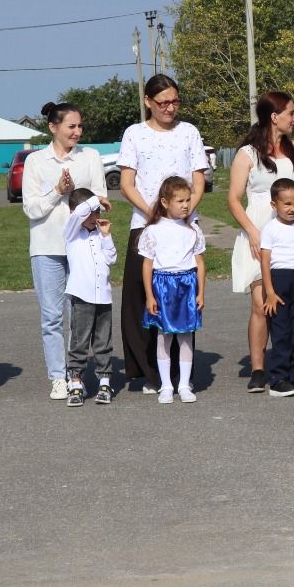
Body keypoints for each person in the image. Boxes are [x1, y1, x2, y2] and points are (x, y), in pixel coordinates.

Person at [229, 92, 294, 392]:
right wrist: (252, 231)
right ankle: (259, 368)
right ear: (274, 117)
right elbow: (233, 199)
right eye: (291, 113)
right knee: (262, 304)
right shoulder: (247, 153)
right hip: (259, 230)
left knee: (292, 303)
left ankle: (287, 367)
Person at [120, 75, 209, 395]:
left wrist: (183, 214)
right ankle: (149, 372)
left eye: (175, 101)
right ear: (148, 102)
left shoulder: (189, 132)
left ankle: (180, 374)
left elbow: (198, 181)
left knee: (182, 295)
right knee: (141, 297)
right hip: (145, 224)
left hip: (183, 227)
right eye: (163, 103)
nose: (170, 108)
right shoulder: (135, 134)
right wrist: (154, 215)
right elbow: (126, 183)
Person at [23, 101, 109, 402]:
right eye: (71, 126)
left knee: (80, 315)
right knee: (51, 316)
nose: (77, 131)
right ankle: (58, 377)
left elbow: (101, 198)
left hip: (83, 247)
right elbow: (31, 208)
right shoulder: (36, 161)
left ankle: (77, 374)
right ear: (53, 127)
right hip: (47, 247)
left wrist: (79, 198)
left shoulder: (91, 157)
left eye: (80, 125)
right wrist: (58, 191)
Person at [141, 176, 207, 403]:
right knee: (164, 336)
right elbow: (147, 265)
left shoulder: (193, 230)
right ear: (165, 202)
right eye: (180, 201)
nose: (186, 205)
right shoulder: (152, 231)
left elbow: (200, 263)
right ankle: (166, 385)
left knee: (186, 336)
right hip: (163, 286)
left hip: (187, 286)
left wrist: (200, 292)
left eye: (188, 200)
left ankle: (184, 384)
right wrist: (150, 295)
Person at [258, 178, 294, 398]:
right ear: (274, 205)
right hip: (279, 280)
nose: (292, 208)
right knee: (281, 332)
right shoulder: (270, 229)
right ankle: (278, 380)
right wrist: (270, 292)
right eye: (287, 204)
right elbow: (265, 261)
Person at [63, 189, 118, 405]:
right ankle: (76, 382)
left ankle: (105, 380)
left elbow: (111, 258)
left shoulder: (98, 233)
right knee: (79, 341)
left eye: (98, 212)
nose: (95, 217)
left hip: (103, 296)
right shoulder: (71, 233)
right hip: (82, 295)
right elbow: (78, 214)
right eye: (91, 213)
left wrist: (106, 236)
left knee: (103, 341)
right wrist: (98, 200)